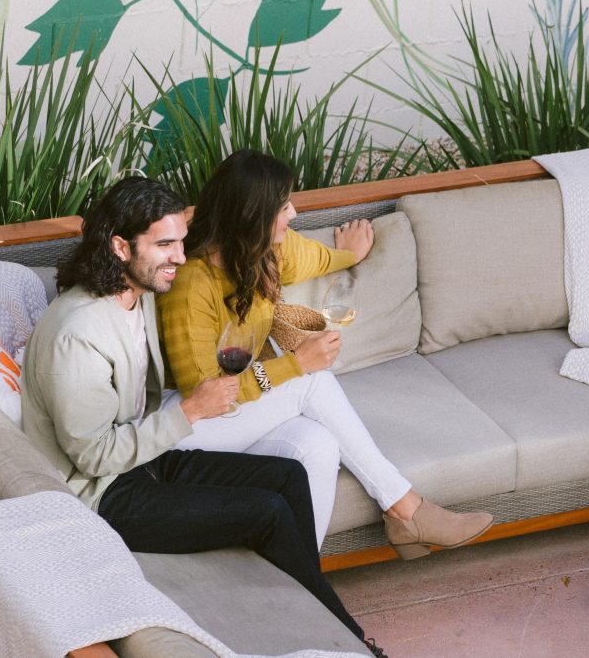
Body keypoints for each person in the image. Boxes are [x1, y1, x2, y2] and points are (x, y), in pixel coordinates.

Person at [20, 176, 382, 653]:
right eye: (164, 244)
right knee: (266, 511)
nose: (178, 255)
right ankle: (352, 644)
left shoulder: (134, 294)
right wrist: (191, 410)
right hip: (100, 496)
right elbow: (92, 456)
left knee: (289, 476)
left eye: (181, 242)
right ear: (120, 247)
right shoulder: (78, 334)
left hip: (141, 462)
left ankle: (305, 622)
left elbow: (233, 233)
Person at [158, 150, 492, 559]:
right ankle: (406, 508)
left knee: (317, 445)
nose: (294, 214)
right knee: (311, 379)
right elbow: (204, 393)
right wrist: (295, 365)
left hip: (234, 418)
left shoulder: (264, 256)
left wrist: (350, 255)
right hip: (186, 428)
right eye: (283, 206)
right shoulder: (193, 283)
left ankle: (301, 576)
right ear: (252, 215)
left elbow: (315, 257)